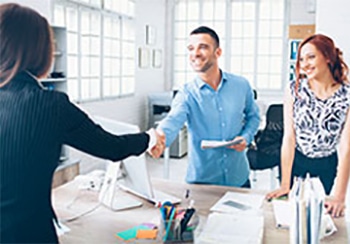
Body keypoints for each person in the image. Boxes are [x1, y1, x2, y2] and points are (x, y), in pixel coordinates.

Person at [0, 3, 164, 243]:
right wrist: (150, 137)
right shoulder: (51, 105)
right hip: (29, 234)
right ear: (39, 50)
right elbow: (112, 147)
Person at [155, 26, 260, 187]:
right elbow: (173, 119)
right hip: (202, 183)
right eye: (191, 48)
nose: (195, 53)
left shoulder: (241, 85)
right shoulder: (186, 93)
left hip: (238, 178)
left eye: (202, 47)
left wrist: (246, 138)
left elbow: (253, 117)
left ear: (218, 53)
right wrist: (159, 137)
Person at [266, 34, 350, 218]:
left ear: (328, 57)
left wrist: (339, 196)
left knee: (319, 219)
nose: (304, 64)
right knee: (290, 218)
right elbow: (289, 138)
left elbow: (346, 147)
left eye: (311, 57)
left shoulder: (347, 95)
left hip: (327, 165)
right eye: (301, 59)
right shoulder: (294, 89)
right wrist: (284, 185)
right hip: (296, 162)